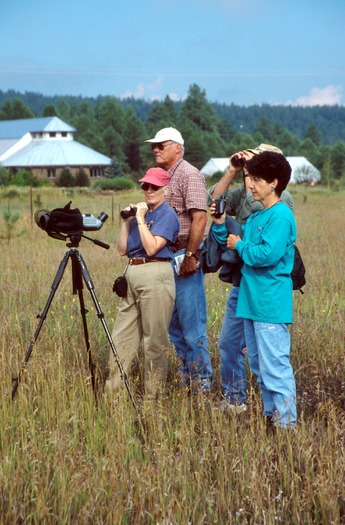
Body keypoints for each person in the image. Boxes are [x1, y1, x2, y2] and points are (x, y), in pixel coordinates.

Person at [208, 144, 294, 412]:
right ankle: (272, 417)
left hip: (268, 301)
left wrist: (240, 246)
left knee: (275, 366)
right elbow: (234, 240)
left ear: (273, 183)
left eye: (256, 180)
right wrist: (221, 224)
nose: (251, 185)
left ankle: (285, 425)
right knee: (259, 364)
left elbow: (266, 254)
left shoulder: (281, 215)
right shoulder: (258, 215)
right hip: (250, 298)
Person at [145, 127, 213, 393]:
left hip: (183, 255)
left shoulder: (189, 174)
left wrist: (191, 255)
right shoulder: (163, 179)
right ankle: (187, 379)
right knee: (174, 326)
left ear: (178, 147)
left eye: (161, 145)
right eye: (154, 145)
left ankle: (202, 386)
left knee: (192, 326)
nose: (156, 149)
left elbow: (200, 217)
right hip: (166, 257)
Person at [105, 167, 180, 399]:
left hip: (156, 272)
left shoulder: (168, 215)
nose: (148, 190)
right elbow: (121, 249)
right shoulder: (142, 214)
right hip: (133, 271)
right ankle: (114, 391)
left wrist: (139, 219)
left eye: (154, 186)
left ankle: (153, 396)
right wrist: (126, 222)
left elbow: (151, 247)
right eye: (145, 186)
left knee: (154, 339)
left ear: (165, 189)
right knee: (121, 335)